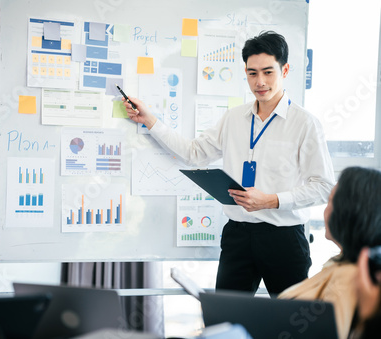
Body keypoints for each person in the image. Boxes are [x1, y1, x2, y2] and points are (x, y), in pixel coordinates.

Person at [122, 31, 335, 296]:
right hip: (238, 235)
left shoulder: (305, 123)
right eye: (252, 73)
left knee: (289, 325)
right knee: (226, 316)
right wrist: (151, 121)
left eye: (268, 72)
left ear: (285, 70)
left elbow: (324, 186)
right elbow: (194, 152)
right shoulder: (234, 118)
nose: (260, 82)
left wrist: (271, 200)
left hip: (283, 238)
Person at [278, 167, 381, 339]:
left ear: (348, 213)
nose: (326, 210)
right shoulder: (341, 264)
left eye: (331, 201)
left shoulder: (349, 277)